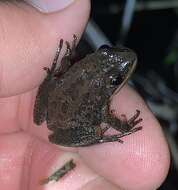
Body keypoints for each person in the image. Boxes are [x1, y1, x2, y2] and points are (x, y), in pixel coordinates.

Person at [0, 0, 170, 189]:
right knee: (95, 130)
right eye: (105, 51)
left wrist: (54, 74)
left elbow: (65, 70)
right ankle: (98, 137)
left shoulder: (84, 63)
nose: (122, 57)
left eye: (115, 79)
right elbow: (106, 116)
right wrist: (124, 127)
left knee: (58, 80)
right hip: (63, 120)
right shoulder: (94, 83)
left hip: (52, 115)